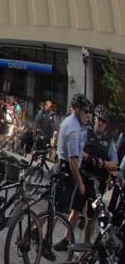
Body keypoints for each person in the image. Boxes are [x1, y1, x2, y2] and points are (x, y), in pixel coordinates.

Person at [55, 104, 118, 250]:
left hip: (98, 183)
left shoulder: (109, 142)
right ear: (95, 119)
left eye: (103, 121)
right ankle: (66, 239)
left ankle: (86, 246)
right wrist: (90, 158)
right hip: (83, 177)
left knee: (91, 216)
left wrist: (101, 163)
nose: (101, 123)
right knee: (76, 210)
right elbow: (77, 149)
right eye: (99, 119)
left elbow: (114, 164)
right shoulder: (85, 134)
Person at [52, 94, 93, 252]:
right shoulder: (74, 129)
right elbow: (73, 161)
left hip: (62, 166)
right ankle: (43, 239)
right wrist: (81, 183)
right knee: (58, 209)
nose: (88, 115)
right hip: (67, 171)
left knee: (55, 207)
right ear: (78, 110)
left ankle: (38, 233)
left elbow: (78, 152)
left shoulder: (71, 122)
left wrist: (89, 157)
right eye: (86, 111)